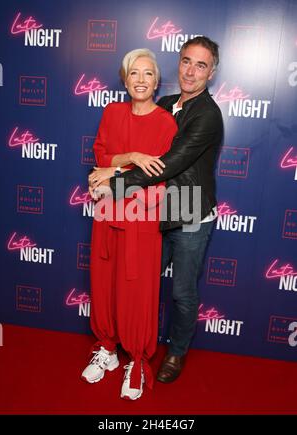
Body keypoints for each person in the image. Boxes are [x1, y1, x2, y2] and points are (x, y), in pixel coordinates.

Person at [93, 36, 223, 383]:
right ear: (178, 63)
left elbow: (166, 164)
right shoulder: (164, 103)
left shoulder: (208, 115)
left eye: (201, 65)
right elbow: (137, 146)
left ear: (212, 72)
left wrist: (113, 181)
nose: (191, 71)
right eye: (186, 62)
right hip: (156, 212)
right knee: (141, 285)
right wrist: (118, 162)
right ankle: (126, 346)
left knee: (181, 291)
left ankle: (176, 353)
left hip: (191, 213)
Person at [82, 48, 177, 400]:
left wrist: (115, 170)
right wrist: (132, 157)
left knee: (137, 294)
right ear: (124, 79)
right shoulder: (112, 111)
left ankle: (136, 359)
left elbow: (156, 176)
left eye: (148, 73)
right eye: (134, 73)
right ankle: (107, 347)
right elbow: (101, 154)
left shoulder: (166, 123)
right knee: (104, 284)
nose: (140, 80)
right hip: (107, 212)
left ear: (156, 81)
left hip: (140, 218)